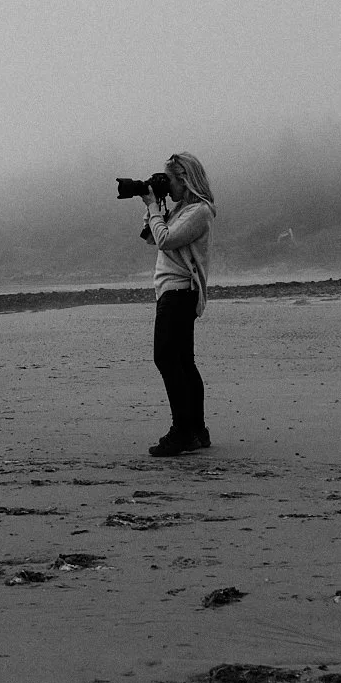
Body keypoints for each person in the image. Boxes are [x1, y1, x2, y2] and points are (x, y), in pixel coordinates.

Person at [141, 151, 216, 457]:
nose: (167, 186)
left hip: (179, 291)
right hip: (171, 291)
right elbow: (149, 236)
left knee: (167, 359)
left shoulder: (199, 212)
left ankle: (181, 431)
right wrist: (154, 207)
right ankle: (197, 430)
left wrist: (154, 209)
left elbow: (166, 240)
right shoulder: (181, 209)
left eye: (169, 180)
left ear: (185, 180)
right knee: (183, 362)